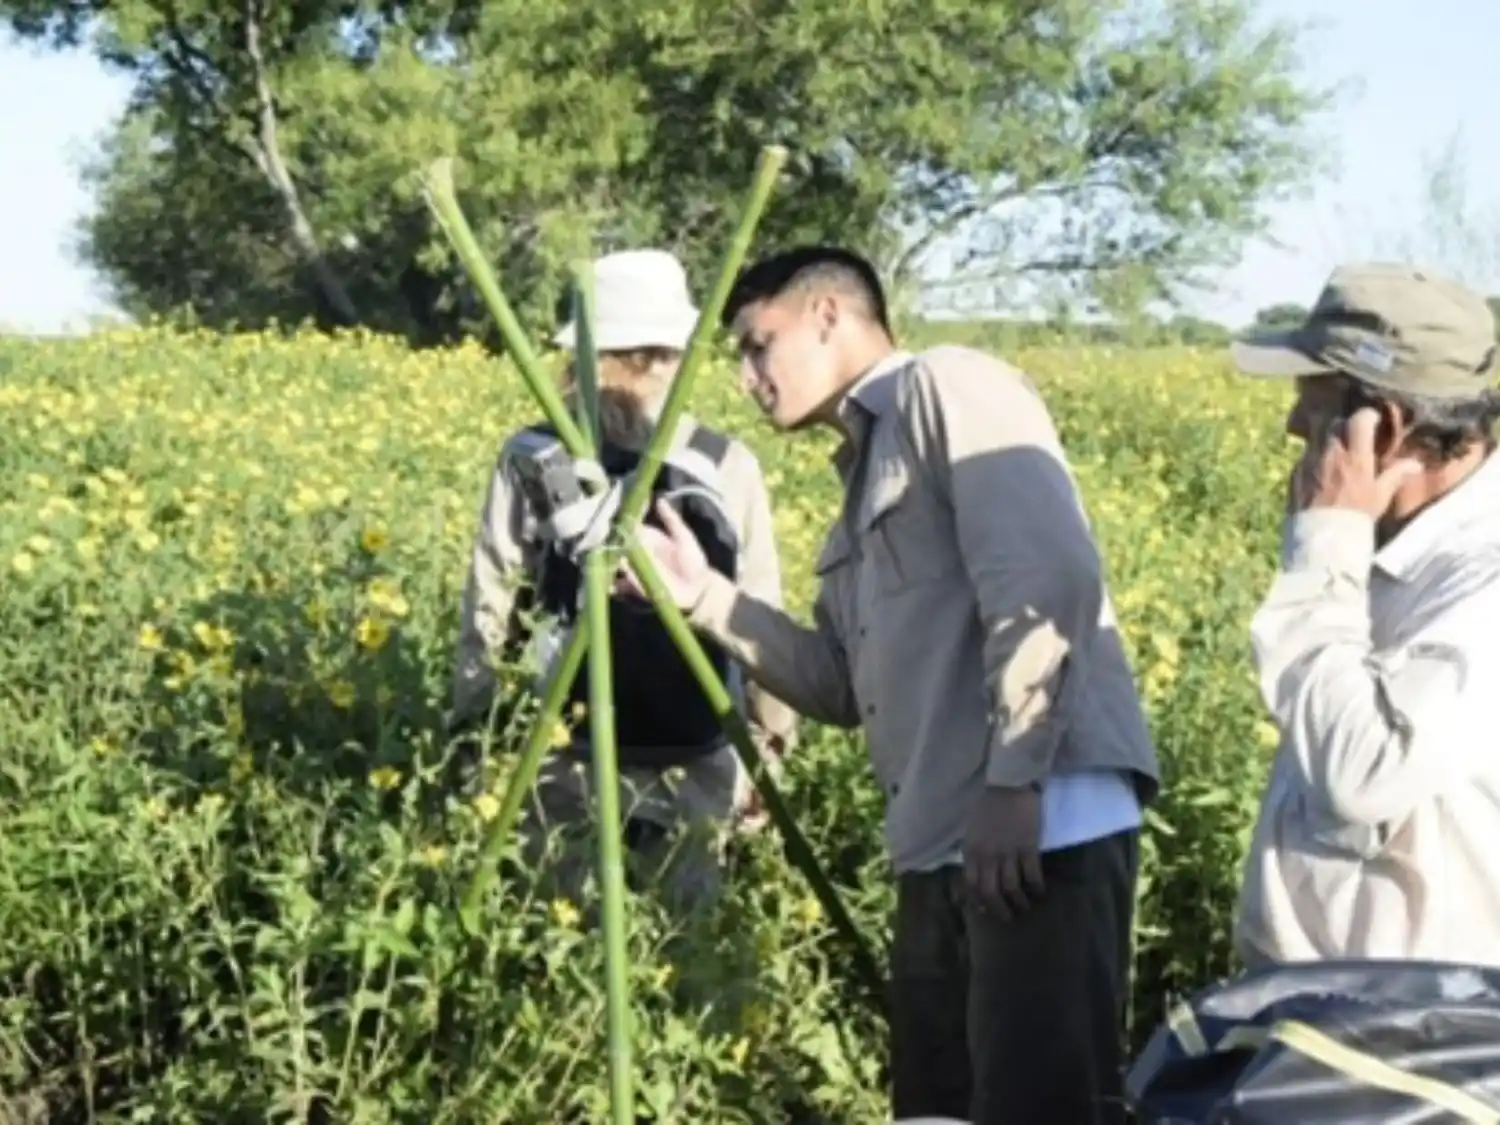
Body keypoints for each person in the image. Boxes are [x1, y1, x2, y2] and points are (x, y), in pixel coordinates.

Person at [620, 244, 1162, 1125]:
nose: (749, 379)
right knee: (935, 1112)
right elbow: (838, 686)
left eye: (760, 345)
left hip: (1038, 827)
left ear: (829, 314)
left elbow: (1047, 579)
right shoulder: (861, 472)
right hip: (949, 839)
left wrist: (1014, 779)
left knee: (1040, 1108)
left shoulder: (948, 386)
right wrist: (706, 598)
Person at [448, 247, 798, 911]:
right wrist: (768, 748)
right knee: (686, 959)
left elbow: (490, 611)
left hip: (557, 760)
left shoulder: (533, 456)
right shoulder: (724, 461)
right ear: (671, 352)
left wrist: (474, 739)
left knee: (559, 949)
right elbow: (759, 623)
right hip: (696, 762)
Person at [1229, 262, 1500, 970]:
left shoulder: (1483, 578)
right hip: (1333, 1020)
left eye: (1311, 405)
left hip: (1410, 1044)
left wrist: (1325, 543)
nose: (1292, 425)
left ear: (1386, 427)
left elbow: (1363, 774)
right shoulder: (1392, 544)